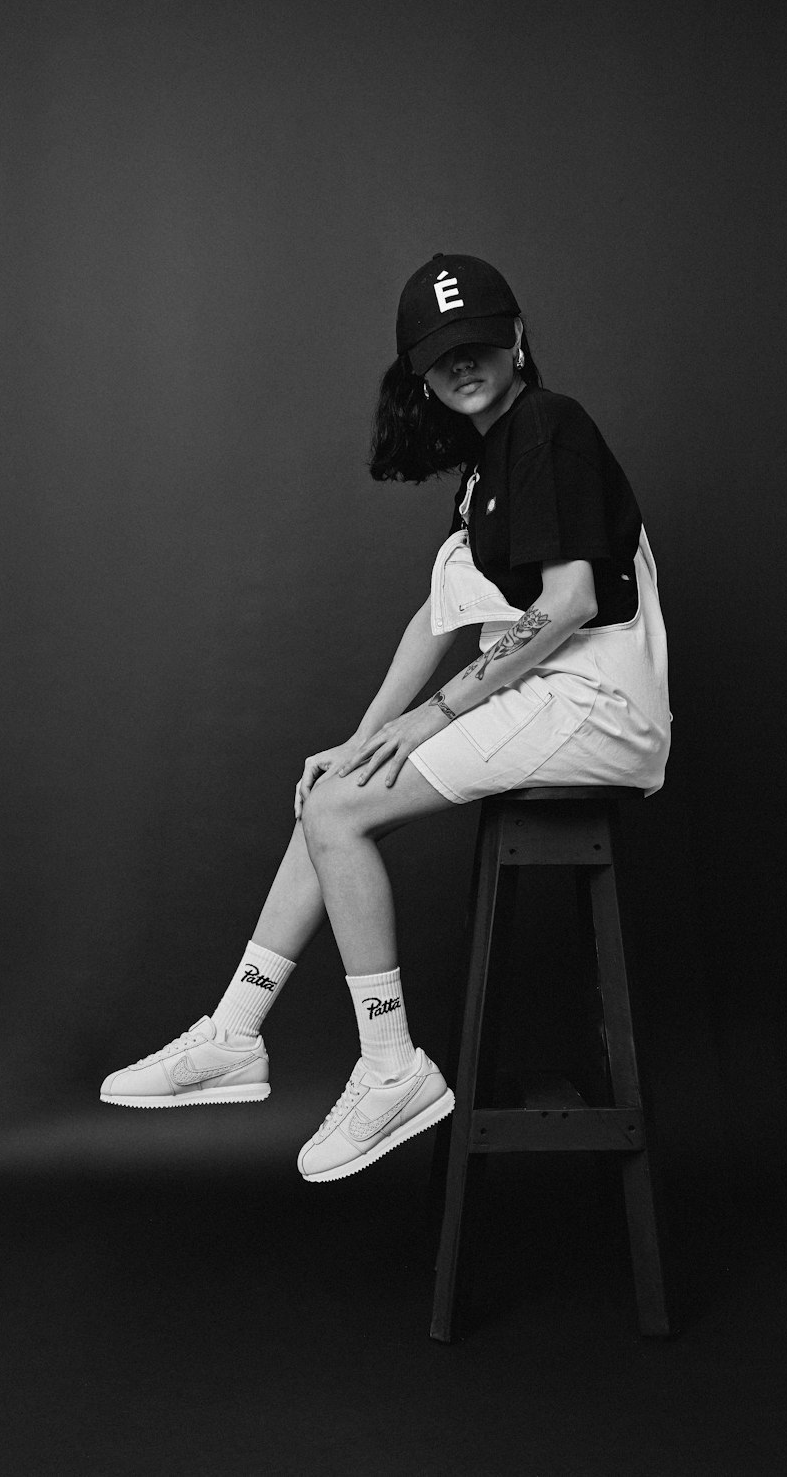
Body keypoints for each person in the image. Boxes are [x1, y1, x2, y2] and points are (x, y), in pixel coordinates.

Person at [101, 253, 672, 1183]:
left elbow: (566, 602)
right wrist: (368, 735)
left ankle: (391, 1066)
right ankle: (235, 1032)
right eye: (443, 354)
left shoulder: (548, 426)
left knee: (337, 813)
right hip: (552, 695)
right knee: (334, 789)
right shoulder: (491, 460)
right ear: (419, 370)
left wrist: (436, 713)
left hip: (595, 704)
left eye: (480, 342)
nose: (465, 364)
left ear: (518, 336)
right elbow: (435, 617)